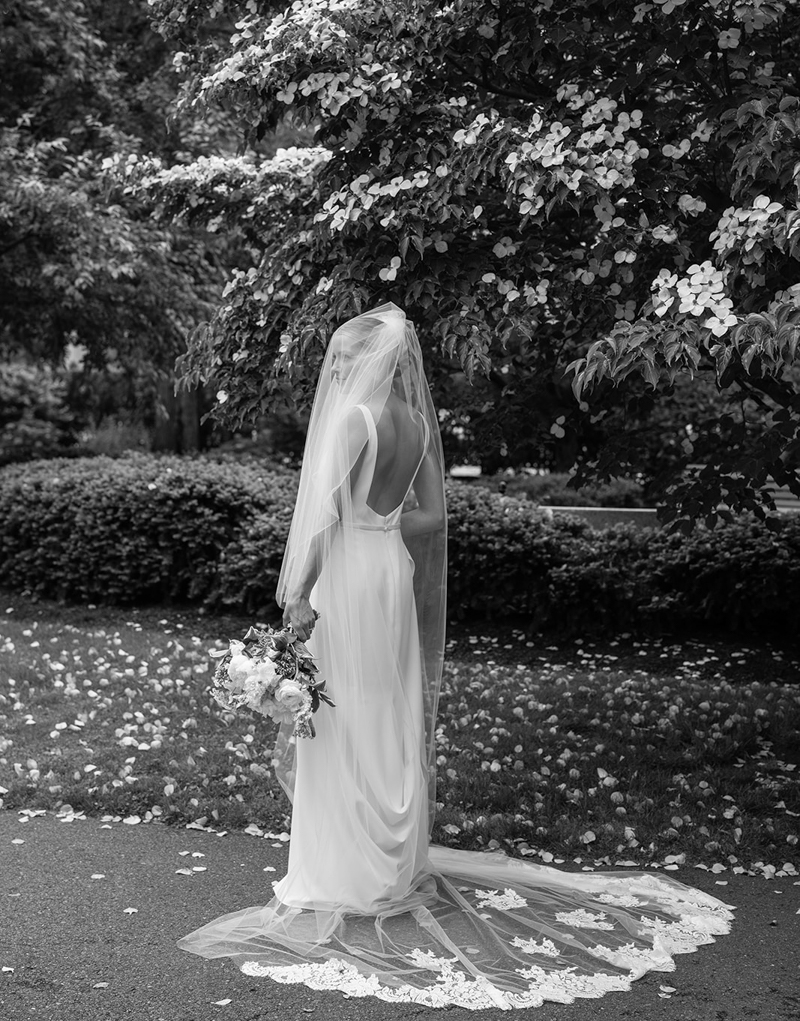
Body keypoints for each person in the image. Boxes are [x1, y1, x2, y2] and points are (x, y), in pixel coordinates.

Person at [177, 301, 734, 1009]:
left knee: (344, 708)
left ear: (361, 362)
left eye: (344, 359)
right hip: (388, 574)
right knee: (384, 703)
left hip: (349, 573)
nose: (338, 369)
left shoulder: (354, 422)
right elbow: (434, 516)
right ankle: (392, 859)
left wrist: (302, 593)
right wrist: (382, 525)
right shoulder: (411, 424)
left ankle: (343, 872)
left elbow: (318, 516)